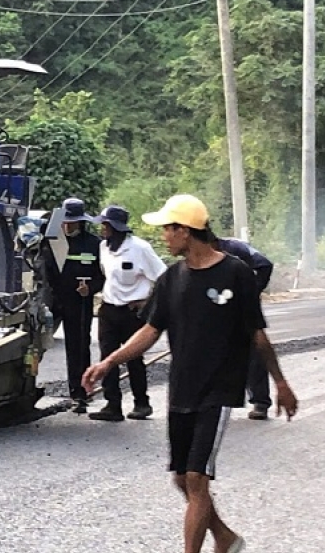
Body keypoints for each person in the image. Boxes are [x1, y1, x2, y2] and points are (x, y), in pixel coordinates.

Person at [83, 194, 298, 553]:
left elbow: (256, 333)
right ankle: (225, 538)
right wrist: (109, 362)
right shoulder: (171, 280)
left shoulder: (236, 273)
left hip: (218, 390)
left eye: (168, 229)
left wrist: (280, 382)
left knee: (197, 478)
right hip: (182, 389)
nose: (164, 237)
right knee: (183, 479)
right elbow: (149, 331)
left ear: (186, 231)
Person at [92, 204, 167, 421]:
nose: (102, 229)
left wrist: (147, 302)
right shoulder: (103, 248)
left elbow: (163, 278)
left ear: (116, 227)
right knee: (108, 357)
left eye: (105, 225)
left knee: (133, 357)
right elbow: (106, 275)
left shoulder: (140, 249)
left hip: (133, 311)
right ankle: (112, 404)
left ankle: (142, 403)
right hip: (108, 309)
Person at [48, 197, 103, 414]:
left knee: (78, 347)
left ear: (81, 222)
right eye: (65, 221)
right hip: (53, 299)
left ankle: (80, 393)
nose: (67, 226)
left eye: (72, 222)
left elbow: (103, 275)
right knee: (33, 345)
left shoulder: (94, 244)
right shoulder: (52, 241)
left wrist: (91, 290)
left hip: (79, 301)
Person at [215, 237, 274, 420]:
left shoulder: (235, 248)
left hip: (244, 309)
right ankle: (217, 401)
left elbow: (265, 264)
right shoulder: (199, 257)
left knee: (254, 353)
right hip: (221, 307)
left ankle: (260, 402)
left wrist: (252, 292)